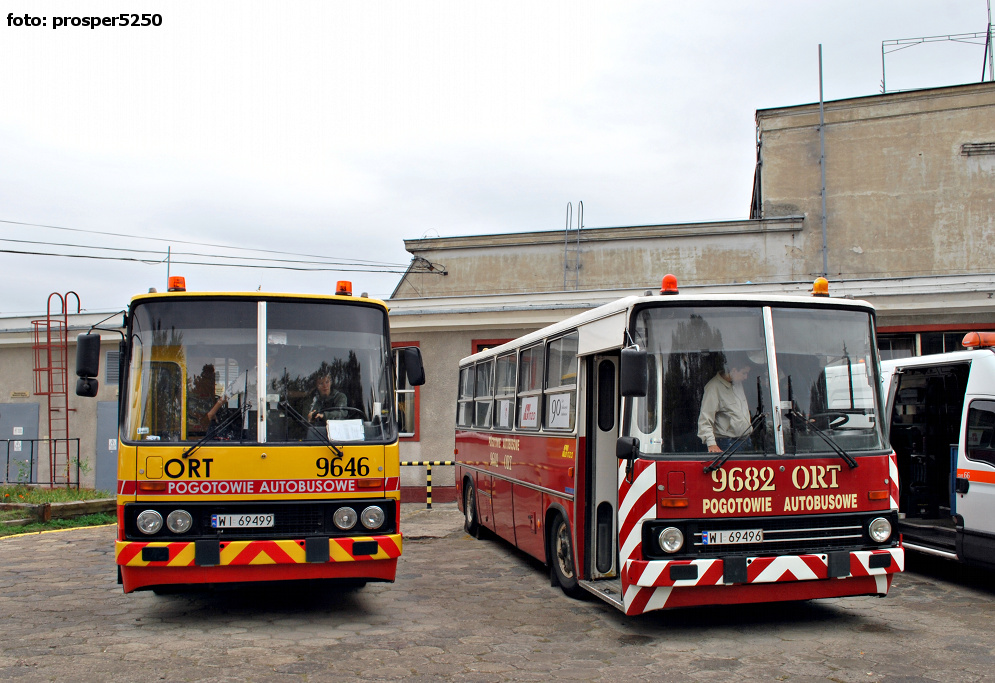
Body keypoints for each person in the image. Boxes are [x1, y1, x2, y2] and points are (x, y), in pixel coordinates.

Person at [697, 355, 753, 453]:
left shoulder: (737, 383)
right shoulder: (713, 388)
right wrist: (711, 444)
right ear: (734, 370)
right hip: (727, 442)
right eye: (744, 373)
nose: (746, 377)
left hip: (745, 439)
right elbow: (705, 419)